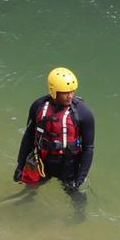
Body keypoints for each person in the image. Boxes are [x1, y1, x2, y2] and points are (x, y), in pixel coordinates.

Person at [14, 67, 96, 199]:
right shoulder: (38, 106)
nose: (70, 96)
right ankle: (26, 204)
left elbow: (88, 148)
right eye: (65, 93)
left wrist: (80, 179)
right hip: (42, 161)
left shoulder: (83, 113)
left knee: (75, 196)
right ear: (54, 91)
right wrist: (20, 166)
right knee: (29, 189)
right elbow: (28, 137)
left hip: (69, 165)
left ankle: (79, 217)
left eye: (72, 91)